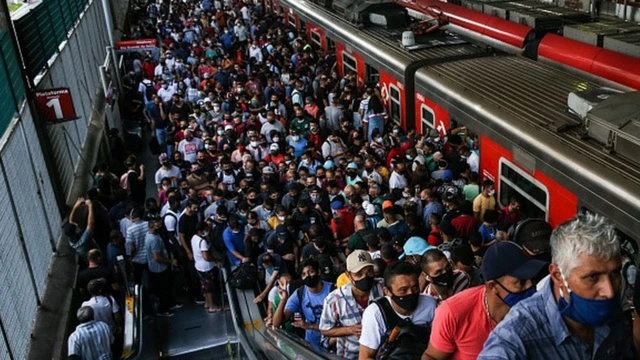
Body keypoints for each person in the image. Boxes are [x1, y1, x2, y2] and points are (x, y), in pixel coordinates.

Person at [478, 213, 634, 359]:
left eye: (614, 274)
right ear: (558, 276)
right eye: (592, 277)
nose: (609, 292)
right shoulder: (517, 335)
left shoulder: (611, 310)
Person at [422, 241, 546, 360]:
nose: (530, 286)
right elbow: (432, 357)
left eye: (532, 280)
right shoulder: (452, 313)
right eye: (521, 282)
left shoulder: (538, 309)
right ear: (493, 286)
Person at [359, 262, 438, 360]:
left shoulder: (430, 304)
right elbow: (365, 357)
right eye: (403, 290)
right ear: (387, 292)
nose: (410, 293)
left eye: (415, 288)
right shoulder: (375, 313)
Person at [319, 250, 384, 359]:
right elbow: (324, 330)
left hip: (381, 354)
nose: (365, 277)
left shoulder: (383, 288)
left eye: (369, 272)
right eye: (358, 274)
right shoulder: (334, 300)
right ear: (348, 275)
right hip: (350, 355)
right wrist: (349, 330)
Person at [273, 258, 333, 349]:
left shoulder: (333, 291)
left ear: (319, 272)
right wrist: (283, 299)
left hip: (333, 344)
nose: (308, 276)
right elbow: (277, 323)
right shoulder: (300, 293)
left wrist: (309, 326)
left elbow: (340, 326)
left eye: (311, 272)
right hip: (312, 346)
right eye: (304, 274)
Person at [146, 215, 180, 316]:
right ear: (152, 225)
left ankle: (169, 304)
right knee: (162, 290)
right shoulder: (153, 239)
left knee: (166, 288)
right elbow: (157, 257)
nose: (160, 224)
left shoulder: (152, 235)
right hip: (159, 269)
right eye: (158, 223)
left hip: (158, 267)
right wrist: (170, 261)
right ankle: (163, 309)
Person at [191, 221, 223, 312]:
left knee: (205, 286)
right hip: (206, 267)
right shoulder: (202, 242)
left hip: (198, 266)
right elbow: (206, 257)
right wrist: (216, 260)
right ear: (201, 231)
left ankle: (207, 302)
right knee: (209, 287)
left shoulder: (194, 238)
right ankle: (212, 306)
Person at [65, 197, 98, 264]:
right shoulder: (82, 241)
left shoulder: (71, 236)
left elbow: (71, 220)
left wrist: (76, 205)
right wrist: (90, 206)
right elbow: (90, 224)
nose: (77, 226)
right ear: (75, 231)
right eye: (76, 227)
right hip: (93, 258)